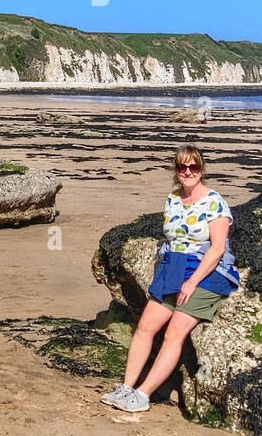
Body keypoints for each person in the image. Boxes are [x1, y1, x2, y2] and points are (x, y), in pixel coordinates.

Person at [101, 145, 239, 413]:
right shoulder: (173, 199)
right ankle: (126, 387)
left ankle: (142, 395)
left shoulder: (214, 202)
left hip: (207, 272)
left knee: (174, 331)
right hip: (173, 267)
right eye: (182, 167)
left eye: (193, 166)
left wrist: (191, 282)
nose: (188, 172)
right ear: (176, 170)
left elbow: (217, 249)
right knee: (145, 326)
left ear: (201, 169)